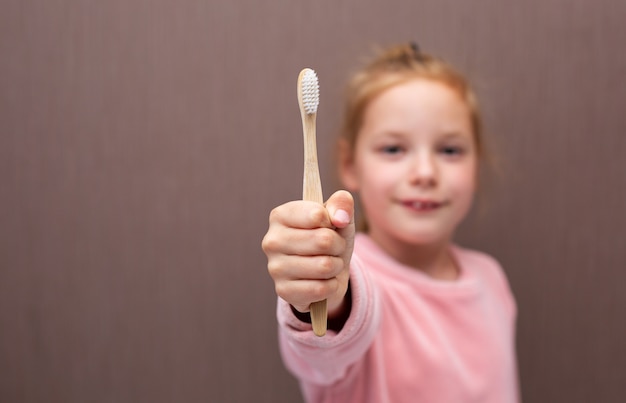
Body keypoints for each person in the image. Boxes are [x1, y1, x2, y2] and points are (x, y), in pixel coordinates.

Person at [262, 43, 519, 403]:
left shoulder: (491, 280)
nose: (425, 173)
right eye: (394, 149)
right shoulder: (354, 280)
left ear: (477, 162)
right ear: (350, 164)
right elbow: (325, 349)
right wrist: (326, 288)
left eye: (450, 150)